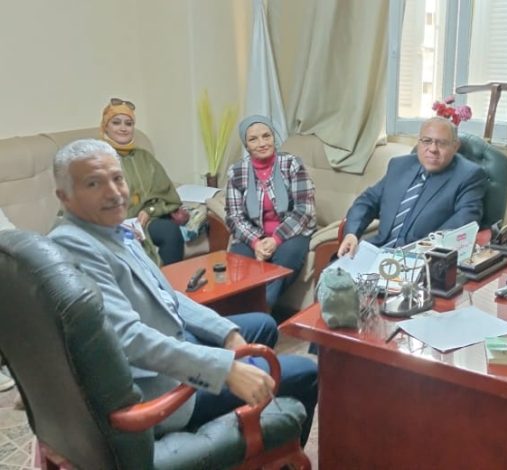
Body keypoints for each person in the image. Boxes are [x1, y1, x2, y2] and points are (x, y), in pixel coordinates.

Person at [48, 139, 317, 442]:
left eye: (117, 178)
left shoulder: (110, 229)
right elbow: (128, 339)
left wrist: (227, 334)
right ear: (64, 196)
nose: (113, 192)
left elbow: (166, 295)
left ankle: (253, 431)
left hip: (171, 337)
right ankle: (273, 452)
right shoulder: (74, 246)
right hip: (156, 387)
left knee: (263, 325)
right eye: (93, 183)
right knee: (304, 371)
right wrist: (226, 370)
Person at [337, 116, 487, 257]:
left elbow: (462, 225)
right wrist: (352, 234)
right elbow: (367, 201)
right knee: (332, 273)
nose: (433, 149)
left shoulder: (468, 176)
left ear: (455, 146)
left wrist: (424, 252)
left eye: (441, 143)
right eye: (426, 141)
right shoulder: (399, 166)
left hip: (420, 259)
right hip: (376, 251)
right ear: (419, 142)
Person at [225, 115, 316, 309]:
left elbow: (304, 209)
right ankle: (241, 312)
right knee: (237, 262)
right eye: (253, 139)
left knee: (288, 255)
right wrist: (256, 243)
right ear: (246, 145)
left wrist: (275, 240)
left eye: (266, 136)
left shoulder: (292, 164)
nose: (262, 143)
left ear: (274, 137)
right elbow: (234, 216)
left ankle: (262, 309)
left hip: (291, 232)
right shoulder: (237, 172)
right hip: (254, 234)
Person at [101, 97, 186, 265]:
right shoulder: (96, 158)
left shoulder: (145, 158)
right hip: (107, 226)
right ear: (105, 127)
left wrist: (149, 211)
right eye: (116, 123)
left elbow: (168, 196)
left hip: (142, 223)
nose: (123, 128)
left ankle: (167, 281)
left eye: (128, 123)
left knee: (170, 231)